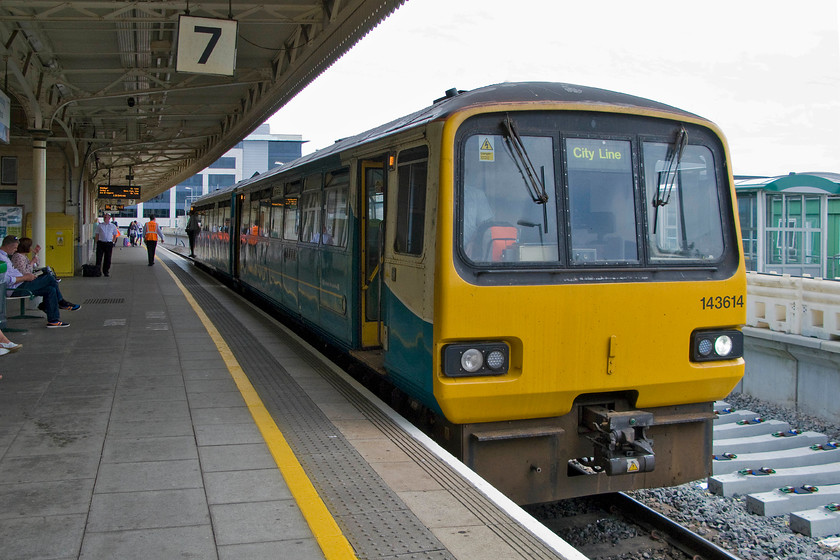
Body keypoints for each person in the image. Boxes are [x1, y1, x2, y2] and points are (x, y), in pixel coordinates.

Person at [0, 235, 79, 328]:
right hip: (15, 288)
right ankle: (61, 302)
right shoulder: (2, 258)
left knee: (50, 289)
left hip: (21, 283)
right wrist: (25, 278)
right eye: (14, 248)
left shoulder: (6, 256)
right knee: (49, 278)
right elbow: (6, 279)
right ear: (8, 246)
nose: (15, 250)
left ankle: (53, 320)